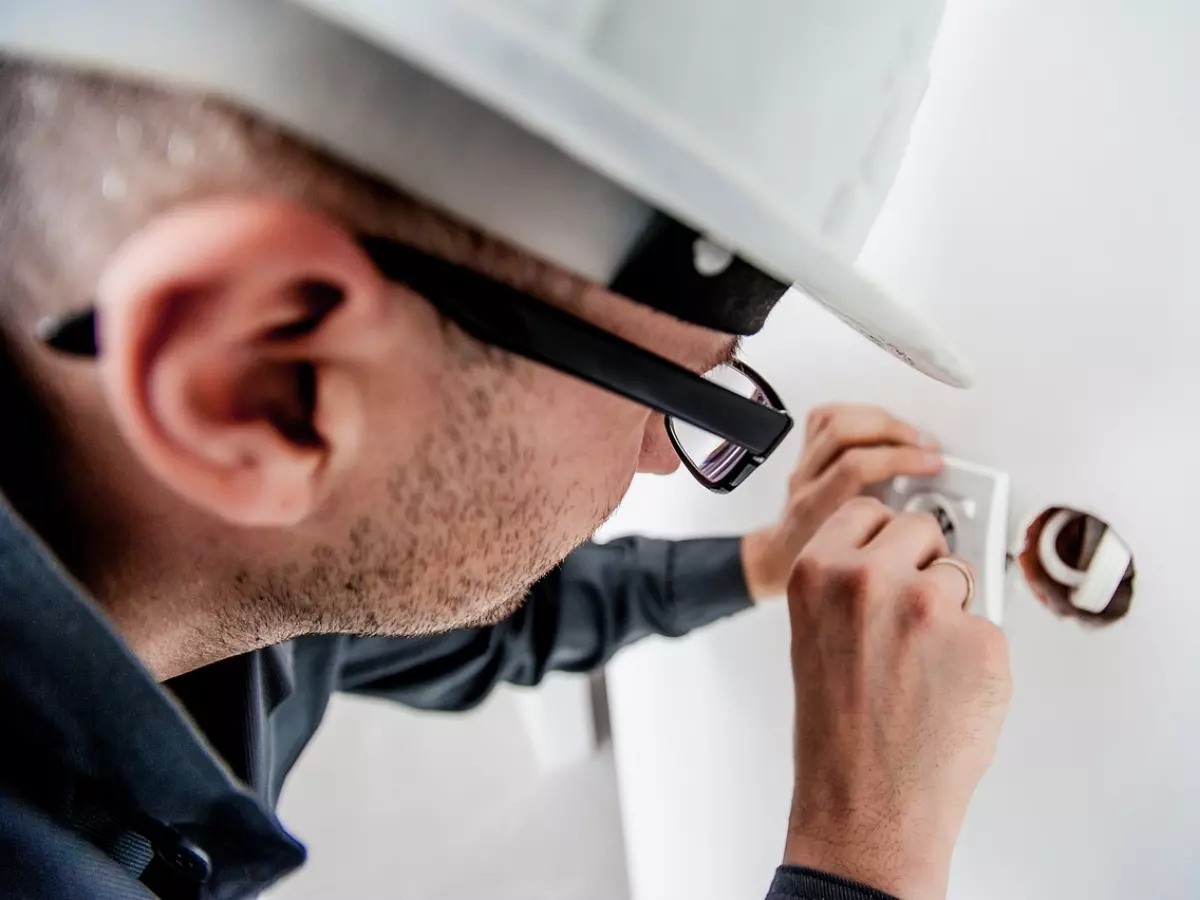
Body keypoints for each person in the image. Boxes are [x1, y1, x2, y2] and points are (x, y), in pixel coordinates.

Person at [0, 4, 1012, 899]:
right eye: (676, 394)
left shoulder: (230, 559)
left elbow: (485, 623)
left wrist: (761, 560)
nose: (664, 460)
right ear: (262, 380)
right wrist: (862, 859)